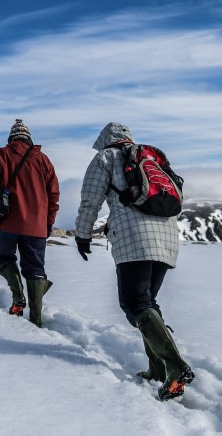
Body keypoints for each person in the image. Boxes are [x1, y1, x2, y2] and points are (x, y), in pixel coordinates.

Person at [73, 122, 195, 401]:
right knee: (148, 302)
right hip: (167, 238)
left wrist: (82, 235)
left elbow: (90, 200)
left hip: (133, 239)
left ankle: (175, 367)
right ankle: (158, 369)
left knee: (134, 303)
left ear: (105, 139)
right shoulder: (150, 157)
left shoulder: (105, 157)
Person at [0, 119, 60, 326]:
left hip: (7, 222)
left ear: (11, 137)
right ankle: (36, 319)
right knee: (35, 268)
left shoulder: (0, 155)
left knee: (3, 259)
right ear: (28, 138)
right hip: (36, 226)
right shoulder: (44, 160)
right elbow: (54, 195)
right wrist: (49, 222)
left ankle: (18, 296)